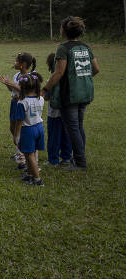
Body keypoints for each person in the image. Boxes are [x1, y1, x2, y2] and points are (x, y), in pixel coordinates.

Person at [41, 16, 100, 171]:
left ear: (64, 30)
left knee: (73, 128)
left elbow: (58, 72)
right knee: (79, 127)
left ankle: (80, 163)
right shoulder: (86, 47)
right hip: (86, 93)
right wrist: (83, 79)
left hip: (71, 95)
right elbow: (96, 69)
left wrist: (45, 89)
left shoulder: (63, 48)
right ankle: (77, 159)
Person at [0, 52, 35, 169]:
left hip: (22, 105)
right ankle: (19, 151)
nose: (14, 63)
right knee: (12, 128)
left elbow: (26, 89)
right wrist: (7, 84)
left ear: (23, 64)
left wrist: (13, 84)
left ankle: (23, 157)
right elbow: (12, 90)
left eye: (16, 61)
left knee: (21, 129)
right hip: (14, 103)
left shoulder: (30, 76)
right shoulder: (16, 75)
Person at [16, 71, 46, 186]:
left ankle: (38, 180)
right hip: (39, 127)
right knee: (32, 152)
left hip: (28, 130)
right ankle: (29, 175)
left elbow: (19, 122)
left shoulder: (22, 102)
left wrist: (16, 136)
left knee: (29, 154)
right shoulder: (41, 99)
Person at [44, 53, 72, 166]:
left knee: (53, 137)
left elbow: (46, 96)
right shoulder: (68, 78)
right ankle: (66, 157)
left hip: (54, 114)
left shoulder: (52, 79)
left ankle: (53, 160)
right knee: (67, 135)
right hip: (68, 112)